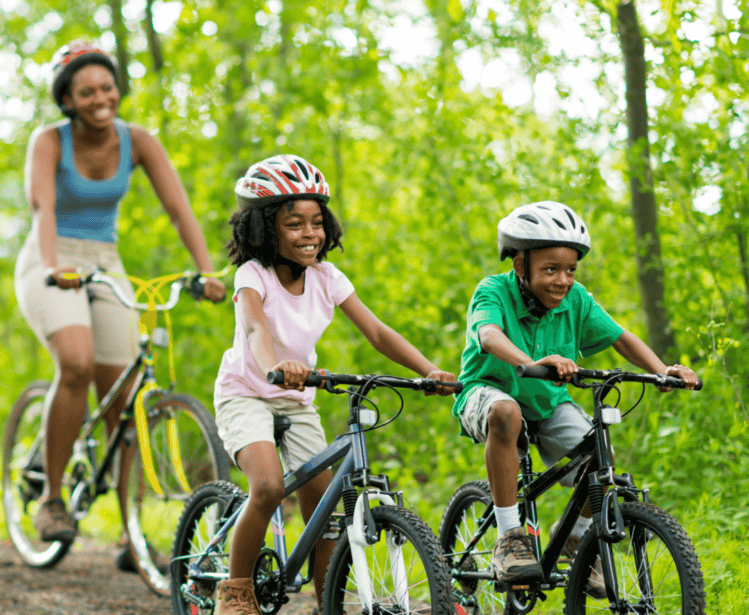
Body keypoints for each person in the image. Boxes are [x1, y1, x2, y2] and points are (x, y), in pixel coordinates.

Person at [211, 154, 457, 615]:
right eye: (295, 224)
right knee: (266, 488)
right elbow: (253, 329)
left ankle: (329, 603)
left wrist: (428, 371)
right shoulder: (253, 275)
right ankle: (236, 588)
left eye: (317, 222)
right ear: (266, 228)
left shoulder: (327, 277)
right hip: (246, 392)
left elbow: (378, 332)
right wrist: (276, 364)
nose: (310, 234)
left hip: (297, 400)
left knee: (324, 509)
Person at [13, 40, 227, 565]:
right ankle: (52, 498)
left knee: (127, 395)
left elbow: (179, 210)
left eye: (106, 87)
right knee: (78, 364)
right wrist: (51, 267)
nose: (100, 97)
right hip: (51, 256)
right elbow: (44, 209)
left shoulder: (139, 141)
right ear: (67, 99)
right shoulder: (49, 142)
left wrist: (205, 270)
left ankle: (131, 533)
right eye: (86, 91)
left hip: (105, 260)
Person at [452, 201, 699, 591]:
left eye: (570, 270)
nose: (562, 281)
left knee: (600, 458)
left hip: (547, 401)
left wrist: (661, 369)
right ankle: (510, 536)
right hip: (488, 392)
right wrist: (531, 360)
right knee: (505, 412)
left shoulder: (576, 300)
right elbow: (488, 335)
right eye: (550, 269)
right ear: (520, 267)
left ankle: (576, 538)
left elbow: (621, 338)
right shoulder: (493, 291)